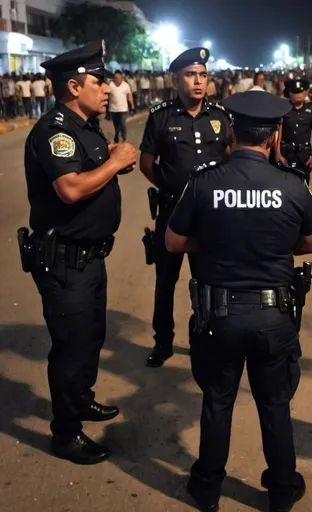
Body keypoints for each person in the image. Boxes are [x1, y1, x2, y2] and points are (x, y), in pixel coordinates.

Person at [166, 89, 312, 512]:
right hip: (274, 316)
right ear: (274, 136)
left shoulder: (204, 181)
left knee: (217, 402)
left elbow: (174, 241)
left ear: (231, 131)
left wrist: (214, 244)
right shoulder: (292, 184)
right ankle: (282, 492)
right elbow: (309, 244)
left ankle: (208, 488)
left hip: (220, 315)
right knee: (275, 406)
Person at [22, 40, 137, 464]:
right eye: (98, 81)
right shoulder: (55, 130)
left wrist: (107, 158)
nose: (106, 88)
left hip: (90, 257)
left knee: (91, 339)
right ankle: (65, 432)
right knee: (70, 349)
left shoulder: (85, 126)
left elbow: (86, 169)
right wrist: (114, 161)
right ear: (73, 86)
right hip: (65, 260)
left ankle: (81, 401)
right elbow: (70, 189)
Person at [139, 47, 231, 368]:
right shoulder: (160, 116)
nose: (198, 82)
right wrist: (169, 187)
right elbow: (147, 163)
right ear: (176, 79)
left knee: (207, 281)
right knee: (166, 280)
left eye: (203, 75)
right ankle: (162, 341)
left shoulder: (220, 116)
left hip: (210, 217)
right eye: (191, 75)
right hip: (172, 214)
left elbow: (231, 157)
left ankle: (202, 339)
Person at [275, 78, 312, 184]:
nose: (298, 95)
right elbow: (279, 131)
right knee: (284, 185)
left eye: (300, 92)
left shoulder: (311, 110)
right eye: (294, 92)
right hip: (286, 155)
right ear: (290, 93)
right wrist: (278, 153)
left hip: (304, 157)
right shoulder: (284, 108)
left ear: (305, 93)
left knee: (303, 185)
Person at [108, 70, 134, 143]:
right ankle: (116, 134)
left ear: (121, 78)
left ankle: (124, 138)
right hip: (113, 109)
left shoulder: (125, 85)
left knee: (123, 124)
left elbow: (129, 96)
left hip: (123, 109)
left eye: (118, 78)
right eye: (115, 78)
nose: (116, 79)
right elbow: (108, 96)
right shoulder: (111, 85)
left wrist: (132, 106)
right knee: (116, 125)